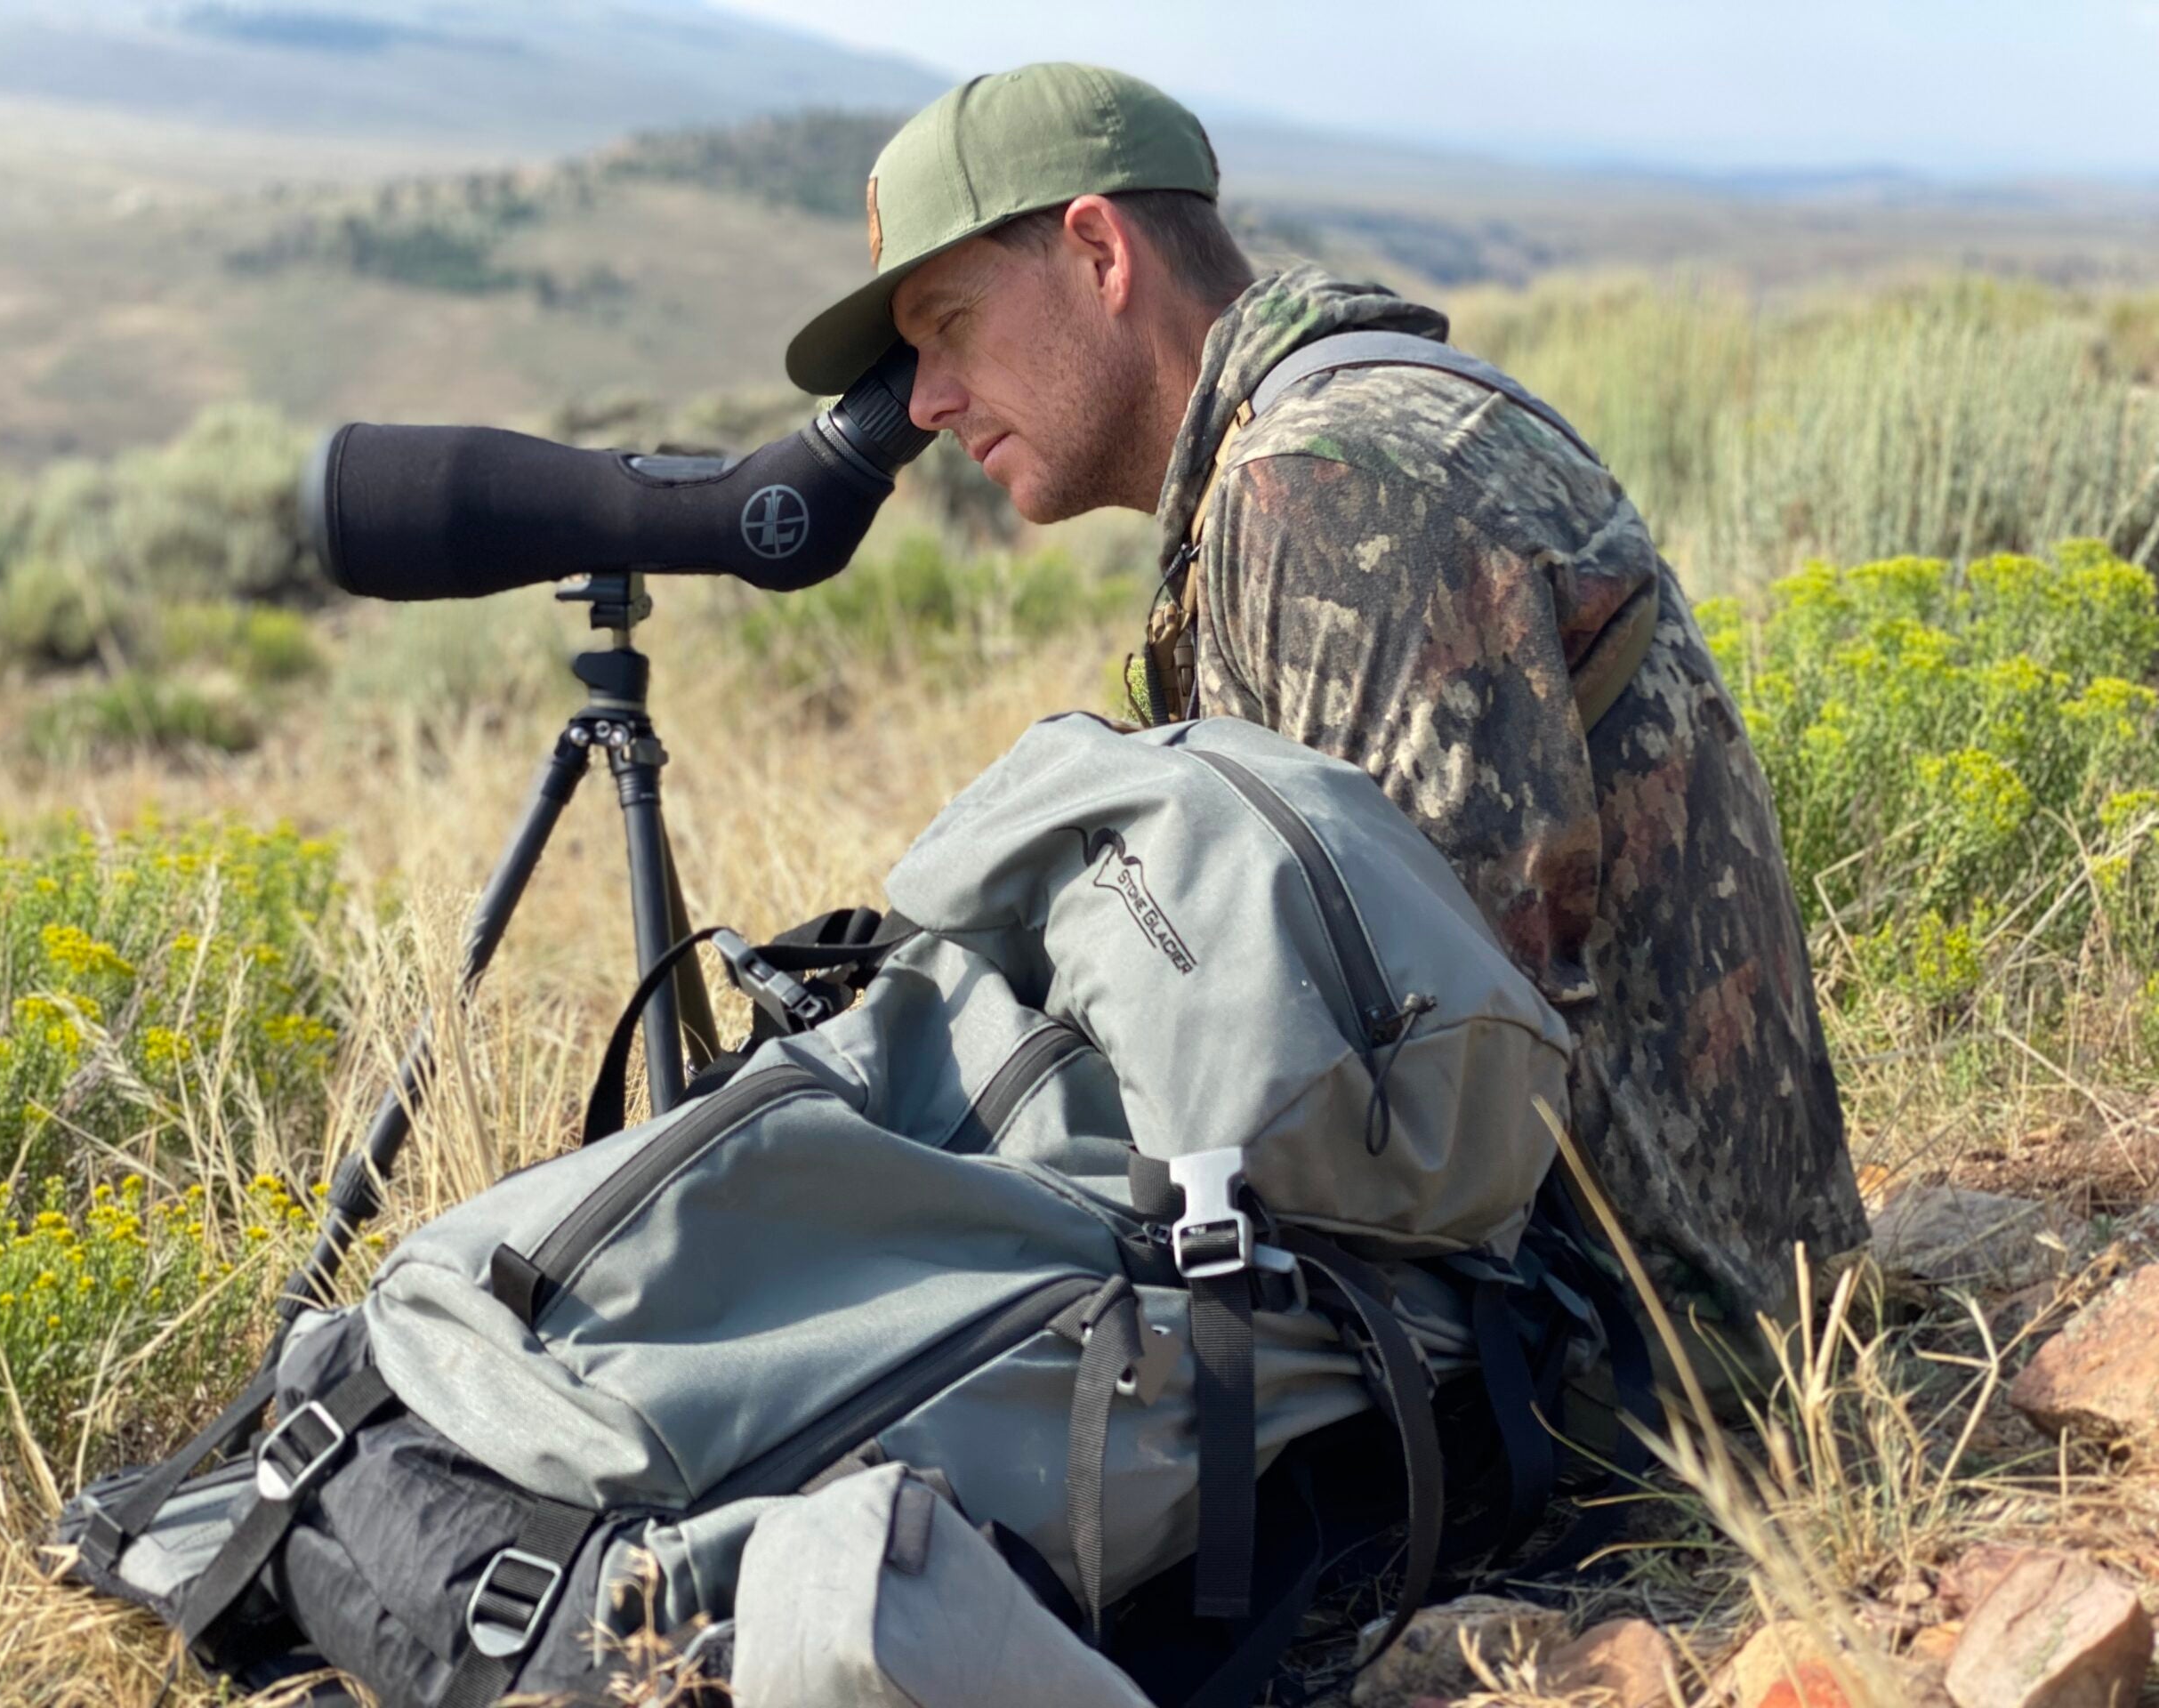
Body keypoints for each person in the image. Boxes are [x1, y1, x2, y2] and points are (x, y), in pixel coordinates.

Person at [783, 63, 1865, 1346]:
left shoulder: (1336, 484)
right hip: (1621, 1296)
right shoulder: (1304, 449)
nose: (924, 401)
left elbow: (1429, 1088)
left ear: (1097, 252)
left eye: (947, 324)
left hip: (1644, 1358)